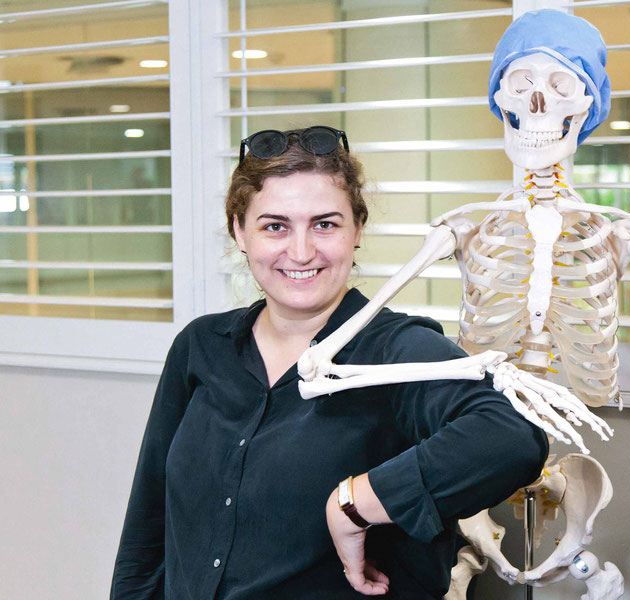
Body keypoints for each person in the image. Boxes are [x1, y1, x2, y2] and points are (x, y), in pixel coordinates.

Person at [110, 126, 549, 599]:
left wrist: (353, 502)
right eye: (275, 225)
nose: (301, 252)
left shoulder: (397, 351)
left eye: (325, 224)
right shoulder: (202, 346)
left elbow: (514, 438)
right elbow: (148, 529)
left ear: (357, 229)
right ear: (240, 231)